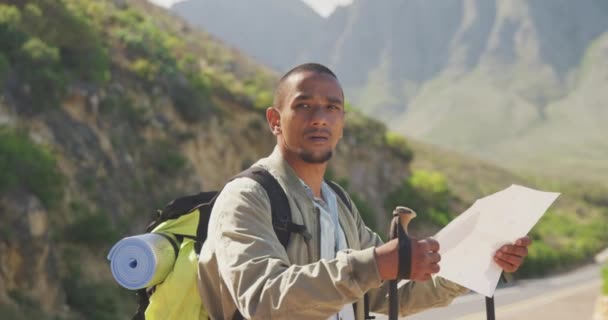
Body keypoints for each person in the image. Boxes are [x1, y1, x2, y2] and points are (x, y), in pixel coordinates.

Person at [197, 63, 531, 319]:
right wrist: (375, 264)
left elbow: (389, 291)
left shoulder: (338, 203)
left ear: (342, 122)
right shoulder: (247, 198)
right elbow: (262, 299)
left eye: (332, 107)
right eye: (303, 106)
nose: (319, 118)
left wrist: (479, 262)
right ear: (275, 119)